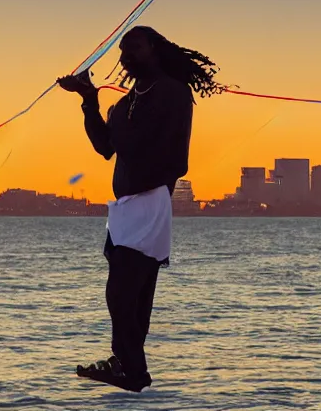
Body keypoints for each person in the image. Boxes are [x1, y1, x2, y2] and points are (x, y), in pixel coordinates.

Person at [57, 25, 226, 392]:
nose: (125, 57)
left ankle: (132, 367)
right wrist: (89, 101)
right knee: (130, 293)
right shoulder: (124, 104)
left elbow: (174, 157)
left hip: (150, 202)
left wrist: (124, 134)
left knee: (122, 291)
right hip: (125, 208)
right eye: (122, 51)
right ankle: (127, 365)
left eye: (133, 48)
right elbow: (105, 146)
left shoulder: (172, 93)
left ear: (154, 47)